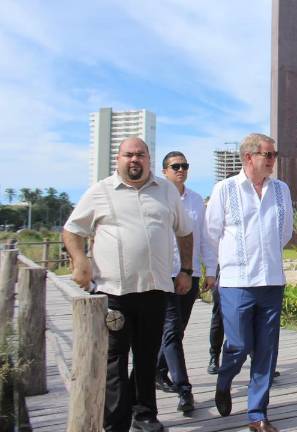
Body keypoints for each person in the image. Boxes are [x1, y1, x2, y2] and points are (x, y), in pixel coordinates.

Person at [63, 137, 193, 432]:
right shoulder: (100, 191)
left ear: (149, 159)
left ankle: (145, 414)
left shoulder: (167, 192)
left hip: (155, 290)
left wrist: (186, 269)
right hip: (114, 293)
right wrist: (80, 261)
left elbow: (185, 232)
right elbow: (72, 230)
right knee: (115, 363)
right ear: (118, 160)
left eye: (141, 155)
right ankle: (116, 423)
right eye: (129, 155)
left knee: (147, 358)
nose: (135, 160)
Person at [205, 133, 293, 432]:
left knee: (267, 350)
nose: (272, 160)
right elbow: (211, 233)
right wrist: (211, 273)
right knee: (239, 345)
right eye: (267, 155)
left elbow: (284, 233)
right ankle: (224, 380)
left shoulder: (280, 190)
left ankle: (257, 414)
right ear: (248, 157)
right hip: (235, 282)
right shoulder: (225, 189)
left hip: (271, 282)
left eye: (274, 155)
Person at [154, 151, 217, 413]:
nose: (181, 170)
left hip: (188, 273)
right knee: (170, 329)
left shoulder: (195, 201)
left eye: (184, 166)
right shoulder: (155, 196)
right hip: (161, 274)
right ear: (164, 170)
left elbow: (203, 238)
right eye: (175, 166)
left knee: (177, 330)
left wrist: (210, 270)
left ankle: (157, 371)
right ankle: (185, 390)